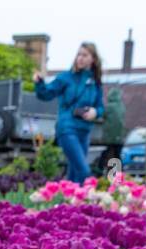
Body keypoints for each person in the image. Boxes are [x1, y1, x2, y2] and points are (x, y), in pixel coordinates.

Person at [34, 42, 105, 184]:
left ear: (93, 59)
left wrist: (95, 112)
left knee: (75, 176)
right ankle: (84, 201)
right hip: (67, 129)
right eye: (79, 54)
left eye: (84, 55)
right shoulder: (66, 78)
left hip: (84, 131)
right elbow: (45, 94)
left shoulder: (95, 83)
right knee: (84, 171)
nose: (80, 58)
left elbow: (101, 107)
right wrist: (39, 83)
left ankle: (69, 204)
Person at [94, 86, 126, 178]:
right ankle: (117, 175)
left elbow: (100, 117)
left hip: (109, 137)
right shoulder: (122, 107)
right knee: (117, 156)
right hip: (119, 137)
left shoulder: (108, 107)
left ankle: (99, 172)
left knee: (105, 153)